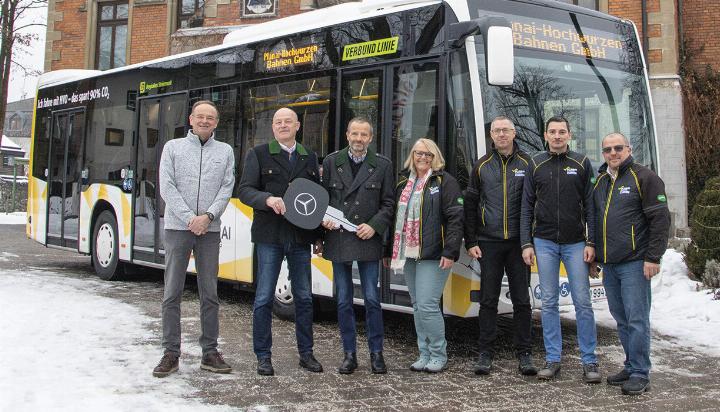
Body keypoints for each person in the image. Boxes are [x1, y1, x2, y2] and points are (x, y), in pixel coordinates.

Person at [237, 107, 323, 376]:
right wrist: (266, 199)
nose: (283, 125)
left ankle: (306, 354)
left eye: (288, 121)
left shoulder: (309, 157)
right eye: (278, 122)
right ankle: (263, 356)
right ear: (273, 127)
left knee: (305, 298)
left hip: (300, 238)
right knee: (263, 298)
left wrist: (319, 236)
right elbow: (244, 191)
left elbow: (316, 200)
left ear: (298, 125)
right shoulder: (259, 154)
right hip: (269, 237)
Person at [153, 100, 235, 377]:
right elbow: (167, 186)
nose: (204, 121)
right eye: (200, 116)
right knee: (172, 292)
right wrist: (190, 218)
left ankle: (210, 352)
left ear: (216, 122)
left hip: (209, 230)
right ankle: (171, 353)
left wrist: (208, 217)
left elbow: (227, 187)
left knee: (209, 292)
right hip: (179, 228)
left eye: (210, 117)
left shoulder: (225, 151)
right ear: (190, 119)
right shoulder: (172, 148)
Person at [520, 116, 601, 383]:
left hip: (576, 242)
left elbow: (590, 206)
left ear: (569, 135)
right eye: (552, 132)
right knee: (550, 303)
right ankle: (553, 359)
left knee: (582, 302)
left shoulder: (581, 163)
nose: (557, 136)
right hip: (543, 242)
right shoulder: (536, 163)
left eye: (562, 132)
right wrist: (526, 242)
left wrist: (591, 242)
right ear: (545, 135)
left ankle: (590, 361)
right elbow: (526, 206)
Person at [592, 132, 670, 395]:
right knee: (621, 319)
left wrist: (653, 257)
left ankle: (640, 373)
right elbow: (596, 219)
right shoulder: (601, 180)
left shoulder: (645, 177)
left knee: (637, 319)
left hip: (635, 263)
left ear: (628, 149)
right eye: (607, 150)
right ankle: (630, 364)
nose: (612, 153)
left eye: (617, 148)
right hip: (610, 265)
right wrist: (596, 254)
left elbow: (660, 220)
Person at [321, 117, 395, 374]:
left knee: (372, 299)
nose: (359, 139)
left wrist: (374, 225)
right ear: (347, 135)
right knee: (343, 300)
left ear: (370, 138)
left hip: (367, 238)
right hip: (339, 237)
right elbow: (323, 199)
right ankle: (349, 354)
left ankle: (377, 354)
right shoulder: (332, 161)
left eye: (364, 135)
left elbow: (388, 203)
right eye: (355, 134)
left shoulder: (383, 165)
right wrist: (325, 220)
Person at [464, 116, 536, 376]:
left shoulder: (529, 163)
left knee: (521, 300)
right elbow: (470, 204)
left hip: (519, 244)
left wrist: (531, 240)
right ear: (491, 135)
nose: (502, 135)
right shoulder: (482, 165)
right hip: (489, 242)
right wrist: (471, 239)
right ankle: (485, 353)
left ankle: (525, 354)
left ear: (514, 133)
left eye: (506, 130)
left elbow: (535, 204)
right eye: (497, 131)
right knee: (488, 300)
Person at [387, 138, 463, 373]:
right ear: (412, 155)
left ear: (435, 157)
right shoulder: (403, 182)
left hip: (434, 253)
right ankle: (424, 353)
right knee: (418, 306)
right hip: (408, 253)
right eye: (419, 153)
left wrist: (450, 250)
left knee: (429, 305)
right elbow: (393, 218)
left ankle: (439, 354)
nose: (423, 158)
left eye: (428, 154)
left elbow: (455, 217)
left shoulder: (445, 181)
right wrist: (386, 249)